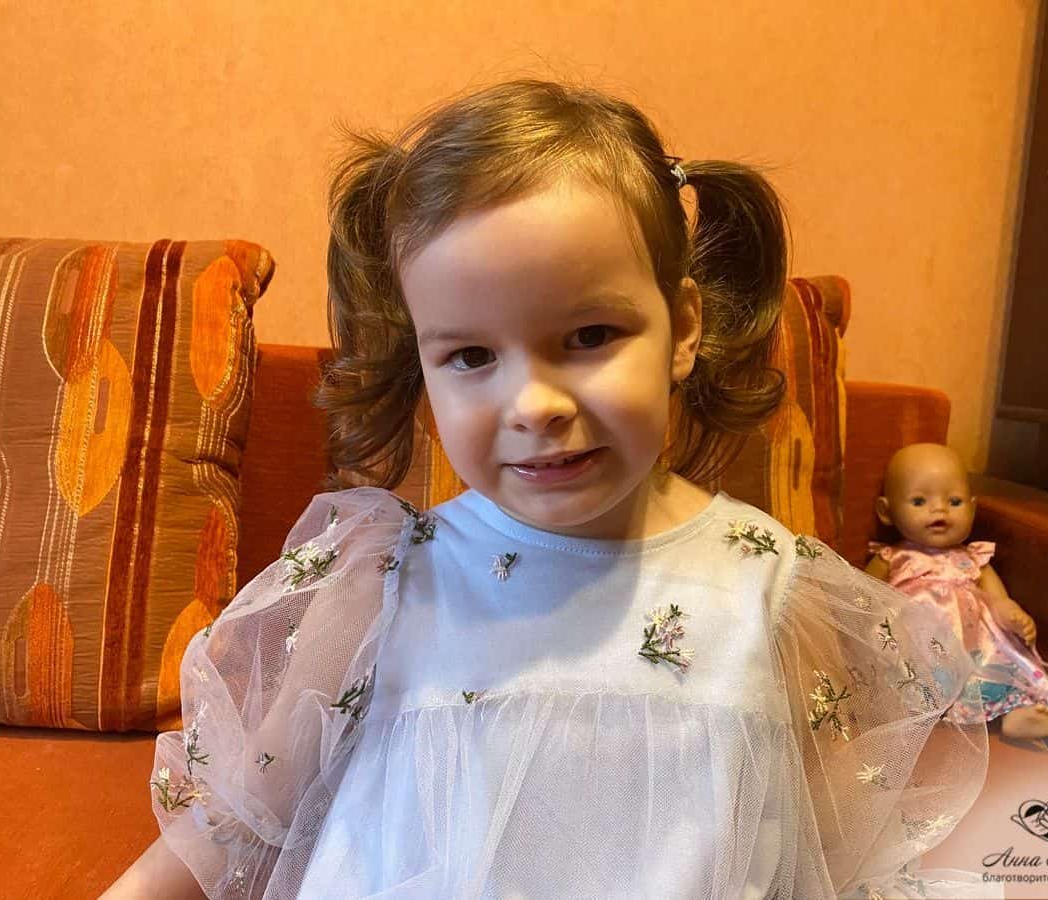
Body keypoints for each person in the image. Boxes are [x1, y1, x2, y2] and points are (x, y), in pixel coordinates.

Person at [106, 80, 997, 899]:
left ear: (683, 328)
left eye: (590, 335)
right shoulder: (381, 582)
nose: (534, 404)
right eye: (470, 355)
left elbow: (841, 852)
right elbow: (237, 822)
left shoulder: (774, 590)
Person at [866, 442, 1048, 740]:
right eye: (919, 501)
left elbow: (998, 598)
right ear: (886, 511)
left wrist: (1011, 613)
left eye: (955, 501)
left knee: (998, 664)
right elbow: (863, 594)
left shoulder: (974, 558)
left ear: (972, 508)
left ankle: (1012, 714)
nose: (939, 509)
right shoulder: (891, 558)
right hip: (915, 642)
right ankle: (906, 712)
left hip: (973, 643)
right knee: (901, 671)